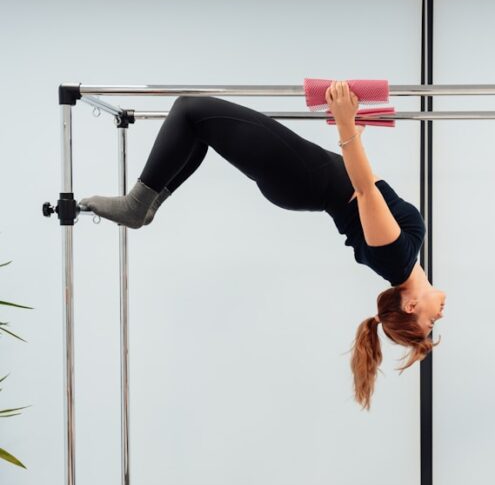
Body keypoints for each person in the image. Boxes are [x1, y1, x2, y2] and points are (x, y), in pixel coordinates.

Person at [80, 81, 446, 409]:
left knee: (190, 109)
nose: (440, 315)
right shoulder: (406, 257)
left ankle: (136, 204)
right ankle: (149, 204)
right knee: (198, 127)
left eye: (429, 320)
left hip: (299, 176)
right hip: (305, 176)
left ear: (411, 305)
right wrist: (356, 133)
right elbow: (367, 191)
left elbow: (365, 192)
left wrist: (347, 127)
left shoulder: (395, 259)